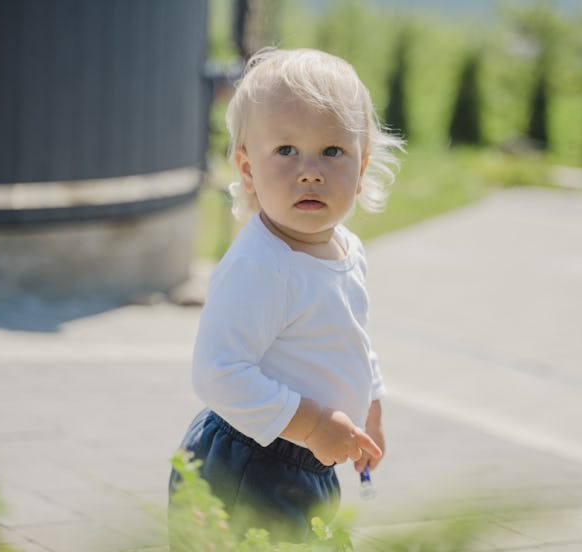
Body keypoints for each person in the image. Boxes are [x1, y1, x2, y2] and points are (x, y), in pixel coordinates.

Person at [169, 47, 404, 542]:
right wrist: (314, 423)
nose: (310, 171)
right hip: (250, 464)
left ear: (361, 169)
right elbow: (219, 371)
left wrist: (372, 405)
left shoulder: (347, 248)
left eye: (333, 152)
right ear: (248, 169)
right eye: (286, 151)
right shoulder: (263, 265)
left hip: (306, 461)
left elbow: (350, 335)